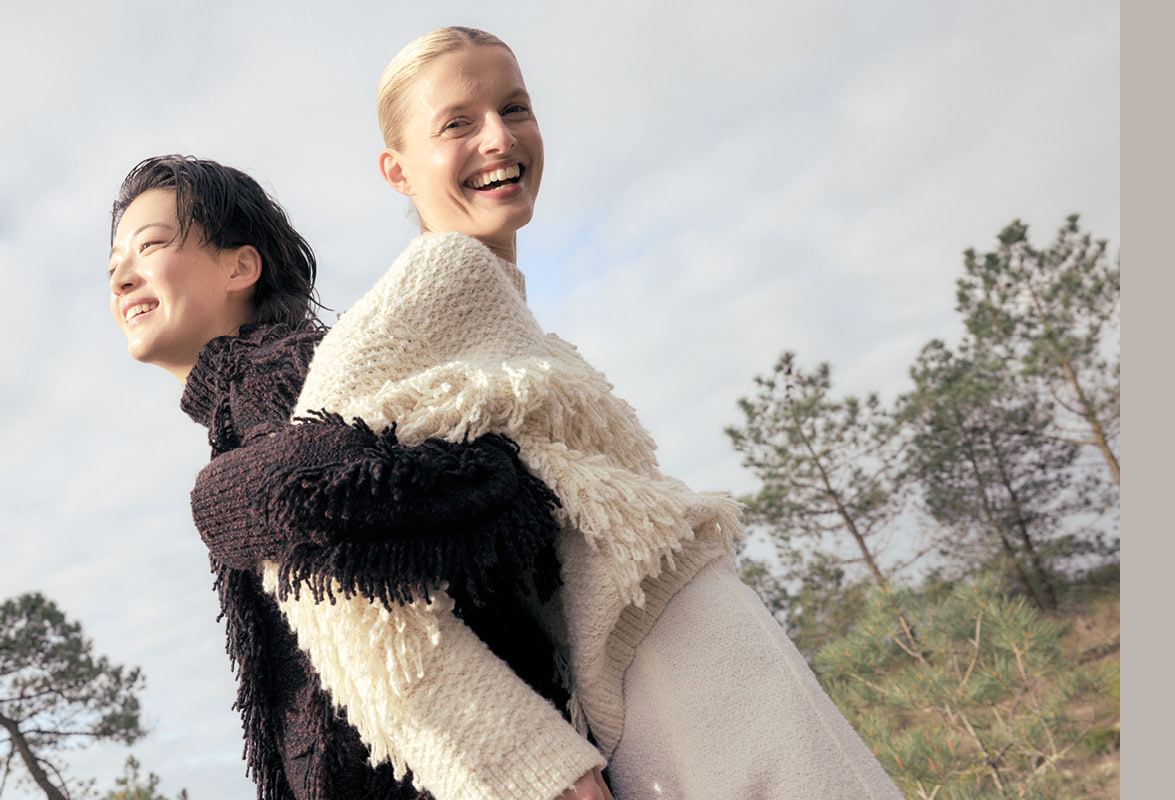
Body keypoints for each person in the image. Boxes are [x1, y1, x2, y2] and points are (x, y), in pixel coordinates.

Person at [254, 26, 903, 800]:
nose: (500, 136)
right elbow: (310, 553)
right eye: (457, 122)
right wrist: (527, 764)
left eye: (515, 107)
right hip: (677, 681)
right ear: (397, 169)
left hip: (692, 668)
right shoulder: (442, 273)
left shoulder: (507, 309)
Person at [105, 154, 600, 800]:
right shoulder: (249, 402)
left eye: (150, 246)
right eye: (114, 263)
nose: (121, 277)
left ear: (240, 266)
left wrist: (531, 764)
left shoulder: (282, 370)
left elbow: (451, 520)